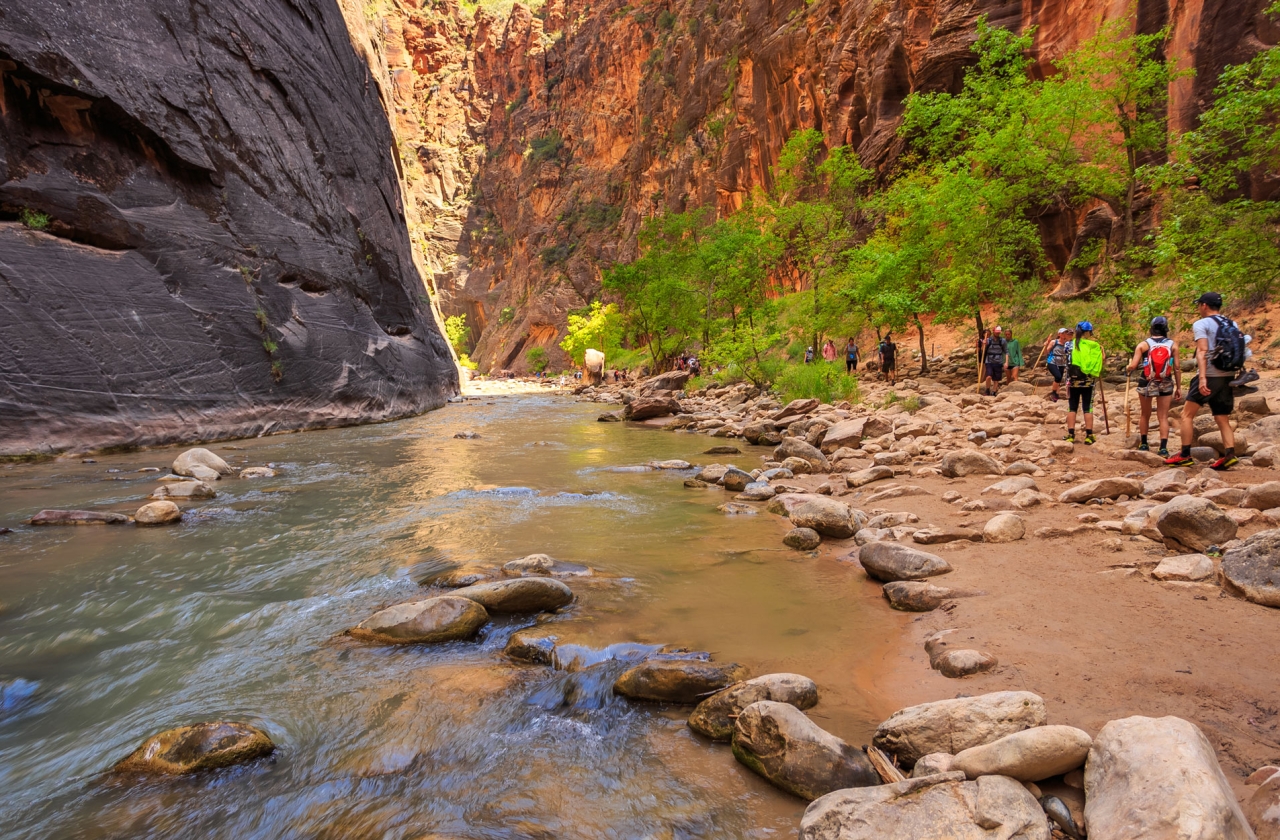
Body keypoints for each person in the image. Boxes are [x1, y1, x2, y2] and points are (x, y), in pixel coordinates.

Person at [1166, 292, 1247, 470]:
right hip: (1228, 375)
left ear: (1204, 305)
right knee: (1222, 418)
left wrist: (1202, 378)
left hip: (1209, 375)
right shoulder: (1231, 323)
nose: (1198, 308)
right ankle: (1230, 454)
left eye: (1199, 305)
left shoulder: (1201, 324)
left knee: (1186, 415)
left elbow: (1202, 351)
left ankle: (1185, 454)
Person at [1126, 316, 1180, 457]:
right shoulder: (1173, 345)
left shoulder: (1143, 345)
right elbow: (1177, 368)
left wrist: (1128, 367)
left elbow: (1133, 366)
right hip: (1166, 381)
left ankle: (1144, 444)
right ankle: (1163, 448)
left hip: (1147, 381)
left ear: (1151, 328)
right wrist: (1179, 387)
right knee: (1163, 416)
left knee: (1145, 414)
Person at [1064, 321, 1104, 445]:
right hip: (1088, 381)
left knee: (1072, 407)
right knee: (1088, 408)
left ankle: (1071, 434)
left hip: (1073, 381)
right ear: (1088, 332)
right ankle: (1089, 435)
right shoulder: (1093, 345)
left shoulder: (1068, 344)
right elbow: (1101, 359)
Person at [1042, 328, 1071, 402]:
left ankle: (1056, 395)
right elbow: (1046, 352)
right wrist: (1045, 346)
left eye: (1065, 333)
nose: (1064, 334)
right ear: (1059, 334)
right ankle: (1054, 393)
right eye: (1063, 333)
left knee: (1058, 379)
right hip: (1052, 361)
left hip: (1061, 362)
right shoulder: (1053, 342)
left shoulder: (1067, 343)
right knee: (1058, 377)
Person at [980, 326, 1007, 396]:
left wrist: (1006, 362)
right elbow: (983, 350)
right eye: (996, 332)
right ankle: (987, 389)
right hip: (989, 360)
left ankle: (994, 391)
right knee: (988, 376)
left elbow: (1006, 351)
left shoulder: (1002, 341)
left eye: (999, 332)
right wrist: (984, 344)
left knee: (996, 378)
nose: (997, 334)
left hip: (998, 361)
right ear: (993, 332)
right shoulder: (988, 340)